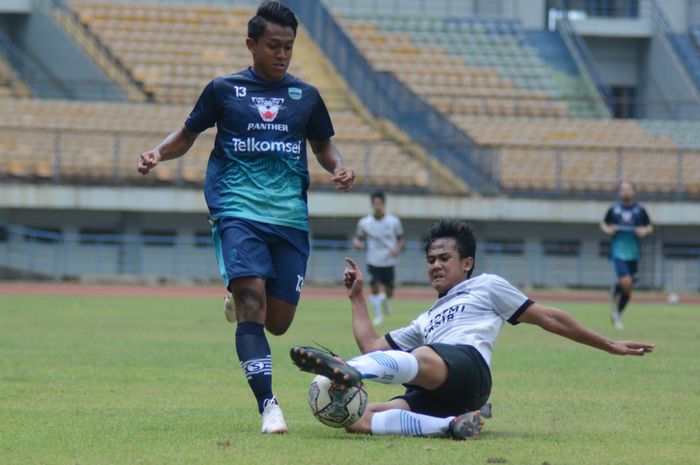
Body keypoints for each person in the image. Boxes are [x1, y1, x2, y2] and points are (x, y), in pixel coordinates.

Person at [137, 1, 355, 434]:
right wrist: (159, 152)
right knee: (253, 303)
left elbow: (323, 145)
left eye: (288, 47)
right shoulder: (224, 90)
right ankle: (268, 406)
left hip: (289, 217)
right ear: (251, 44)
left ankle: (238, 297)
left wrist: (338, 167)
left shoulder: (306, 96)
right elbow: (187, 134)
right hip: (236, 209)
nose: (281, 54)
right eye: (273, 45)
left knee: (278, 322)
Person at [290, 220, 654, 440]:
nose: (435, 265)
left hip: (468, 370)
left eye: (443, 258)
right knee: (356, 419)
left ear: (467, 262)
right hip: (442, 394)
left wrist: (609, 344)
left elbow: (549, 317)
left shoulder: (487, 286)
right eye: (431, 259)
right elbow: (372, 344)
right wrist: (357, 297)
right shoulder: (426, 319)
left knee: (421, 356)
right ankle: (452, 426)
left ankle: (352, 372)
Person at [600, 181, 653, 329]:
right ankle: (617, 294)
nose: (625, 192)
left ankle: (617, 311)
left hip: (634, 254)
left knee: (628, 288)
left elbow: (649, 226)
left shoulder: (640, 210)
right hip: (618, 252)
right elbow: (603, 224)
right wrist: (608, 229)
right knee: (628, 283)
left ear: (634, 191)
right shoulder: (613, 209)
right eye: (623, 189)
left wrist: (644, 231)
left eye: (628, 189)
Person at [352, 191, 404, 325]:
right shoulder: (365, 222)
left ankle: (385, 300)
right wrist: (357, 243)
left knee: (389, 291)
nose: (377, 206)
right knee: (374, 287)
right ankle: (378, 317)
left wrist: (398, 248)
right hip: (373, 260)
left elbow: (400, 238)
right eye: (375, 204)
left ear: (384, 204)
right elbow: (358, 237)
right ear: (372, 205)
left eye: (379, 204)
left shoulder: (393, 221)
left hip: (388, 261)